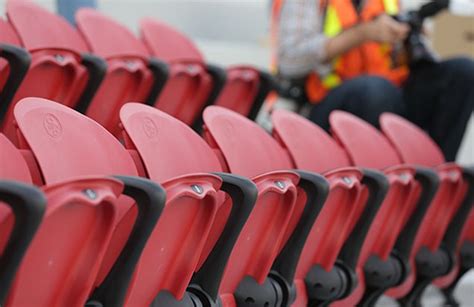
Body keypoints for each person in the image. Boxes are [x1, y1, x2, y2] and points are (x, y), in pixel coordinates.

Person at [272, 0, 474, 161]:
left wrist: (408, 40)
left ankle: (435, 178)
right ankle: (375, 185)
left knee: (463, 72)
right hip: (324, 105)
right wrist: (362, 34)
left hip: (388, 99)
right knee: (375, 90)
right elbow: (290, 60)